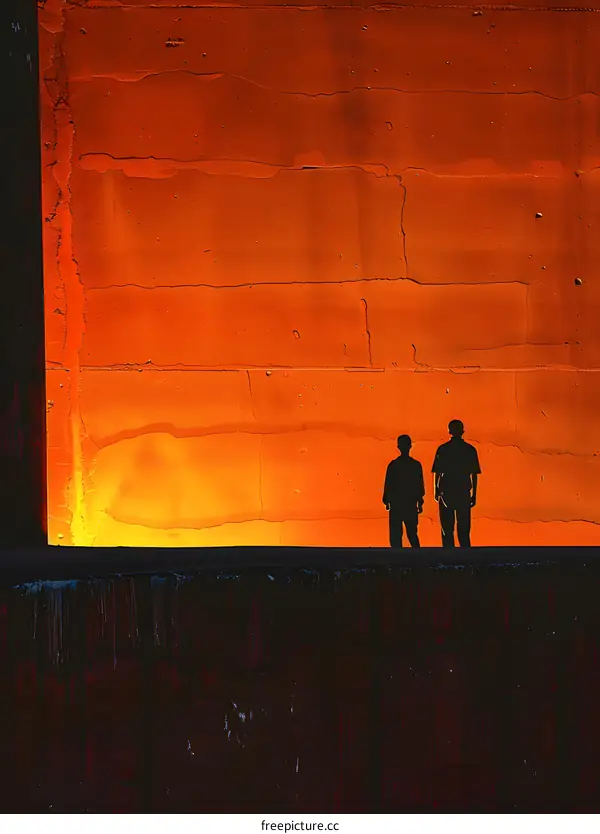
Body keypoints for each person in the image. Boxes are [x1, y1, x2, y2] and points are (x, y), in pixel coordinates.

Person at [432, 419, 481, 548]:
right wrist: (474, 494)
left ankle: (448, 557)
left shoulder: (443, 449)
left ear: (450, 431)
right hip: (462, 491)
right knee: (463, 529)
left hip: (447, 491)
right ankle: (465, 558)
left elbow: (437, 472)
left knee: (447, 529)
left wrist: (436, 490)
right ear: (462, 431)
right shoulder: (469, 450)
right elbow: (474, 474)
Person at [383, 434, 425, 548]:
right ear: (410, 446)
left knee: (398, 535)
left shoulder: (394, 465)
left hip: (398, 503)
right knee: (411, 533)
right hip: (408, 503)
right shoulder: (415, 465)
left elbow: (388, 484)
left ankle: (399, 559)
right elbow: (420, 486)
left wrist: (387, 500)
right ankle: (417, 558)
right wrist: (420, 501)